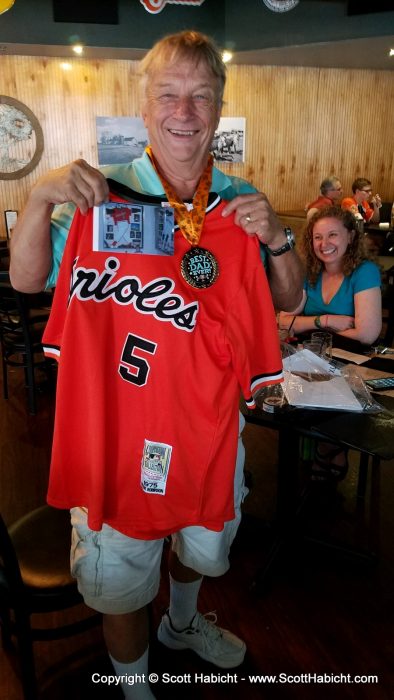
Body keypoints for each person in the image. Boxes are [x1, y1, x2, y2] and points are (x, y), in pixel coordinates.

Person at [10, 31, 303, 700]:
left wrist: (280, 239)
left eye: (202, 97)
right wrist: (40, 198)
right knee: (120, 577)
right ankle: (136, 690)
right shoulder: (98, 196)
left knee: (202, 549)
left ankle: (180, 623)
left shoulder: (238, 204)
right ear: (144, 108)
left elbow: (287, 298)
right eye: (169, 95)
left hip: (207, 431)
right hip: (114, 432)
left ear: (219, 110)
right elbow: (30, 283)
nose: (185, 111)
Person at [278, 206, 382, 481]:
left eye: (333, 235)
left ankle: (328, 446)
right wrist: (326, 321)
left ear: (350, 235)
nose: (324, 244)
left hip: (351, 361)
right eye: (317, 237)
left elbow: (367, 334)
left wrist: (305, 323)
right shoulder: (308, 272)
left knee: (328, 391)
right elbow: (282, 320)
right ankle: (315, 445)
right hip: (305, 357)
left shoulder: (364, 271)